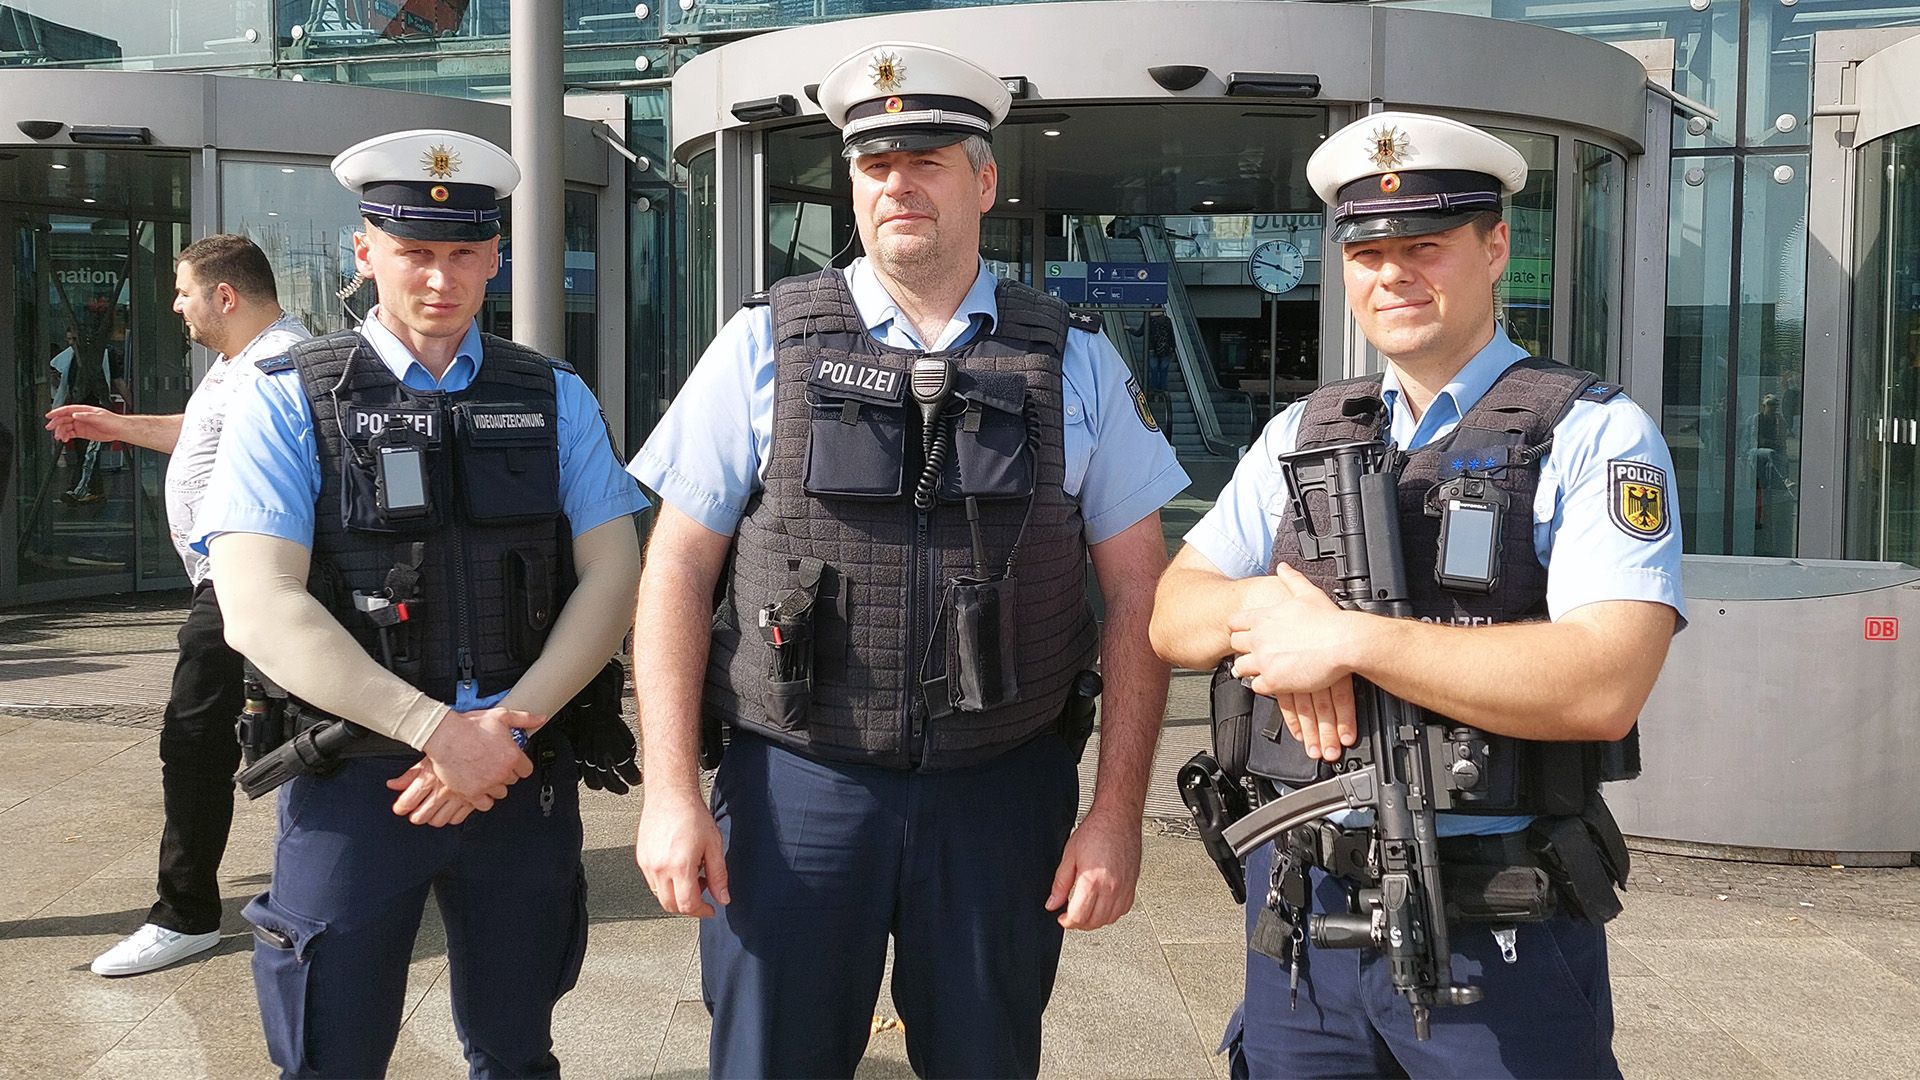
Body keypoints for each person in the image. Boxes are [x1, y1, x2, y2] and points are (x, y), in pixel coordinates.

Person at [628, 41, 1188, 1079]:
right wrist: (669, 791)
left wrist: (1116, 816)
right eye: (874, 164)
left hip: (1001, 791)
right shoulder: (761, 348)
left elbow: (1137, 598)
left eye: (927, 158)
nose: (898, 184)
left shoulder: (1075, 361)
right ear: (852, 185)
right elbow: (674, 573)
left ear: (984, 180)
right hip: (797, 784)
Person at [1148, 112, 1685, 1078]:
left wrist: (1350, 643)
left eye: (1426, 245)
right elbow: (1172, 614)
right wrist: (1274, 622)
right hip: (1304, 920)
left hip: (1494, 920)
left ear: (1496, 249)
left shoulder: (1592, 434)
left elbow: (1605, 679)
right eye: (1370, 251)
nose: (1394, 273)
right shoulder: (1302, 433)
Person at [191, 129, 648, 1078]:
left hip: (521, 776)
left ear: (494, 255)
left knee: (519, 1052)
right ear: (366, 252)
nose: (440, 279)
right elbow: (258, 603)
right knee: (331, 1054)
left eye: (461, 253)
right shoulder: (286, 400)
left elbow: (613, 576)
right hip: (358, 782)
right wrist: (439, 731)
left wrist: (505, 733)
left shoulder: (555, 396)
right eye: (414, 252)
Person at [48, 234, 312, 977]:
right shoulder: (235, 368)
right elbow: (199, 439)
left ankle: (186, 913)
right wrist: (116, 426)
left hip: (244, 581)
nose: (174, 304)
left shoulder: (277, 369)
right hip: (223, 580)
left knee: (192, 741)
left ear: (224, 296)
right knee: (273, 730)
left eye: (182, 289)